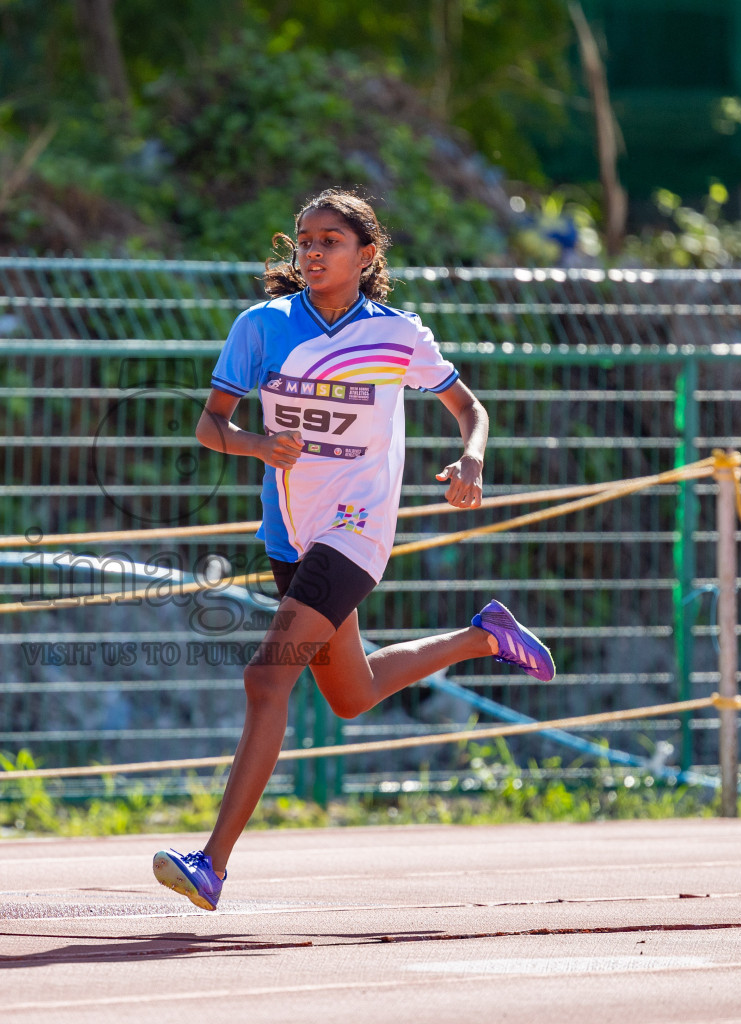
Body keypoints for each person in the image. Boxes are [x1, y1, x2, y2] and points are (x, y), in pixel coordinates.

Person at [152, 189, 555, 912]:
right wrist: (255, 444)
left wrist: (471, 460)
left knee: (265, 679)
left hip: (358, 527)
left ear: (366, 256)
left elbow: (470, 408)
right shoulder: (262, 326)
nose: (311, 251)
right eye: (304, 239)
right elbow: (212, 426)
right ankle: (482, 637)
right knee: (352, 694)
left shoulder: (398, 335)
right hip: (291, 531)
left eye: (330, 240)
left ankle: (211, 863)